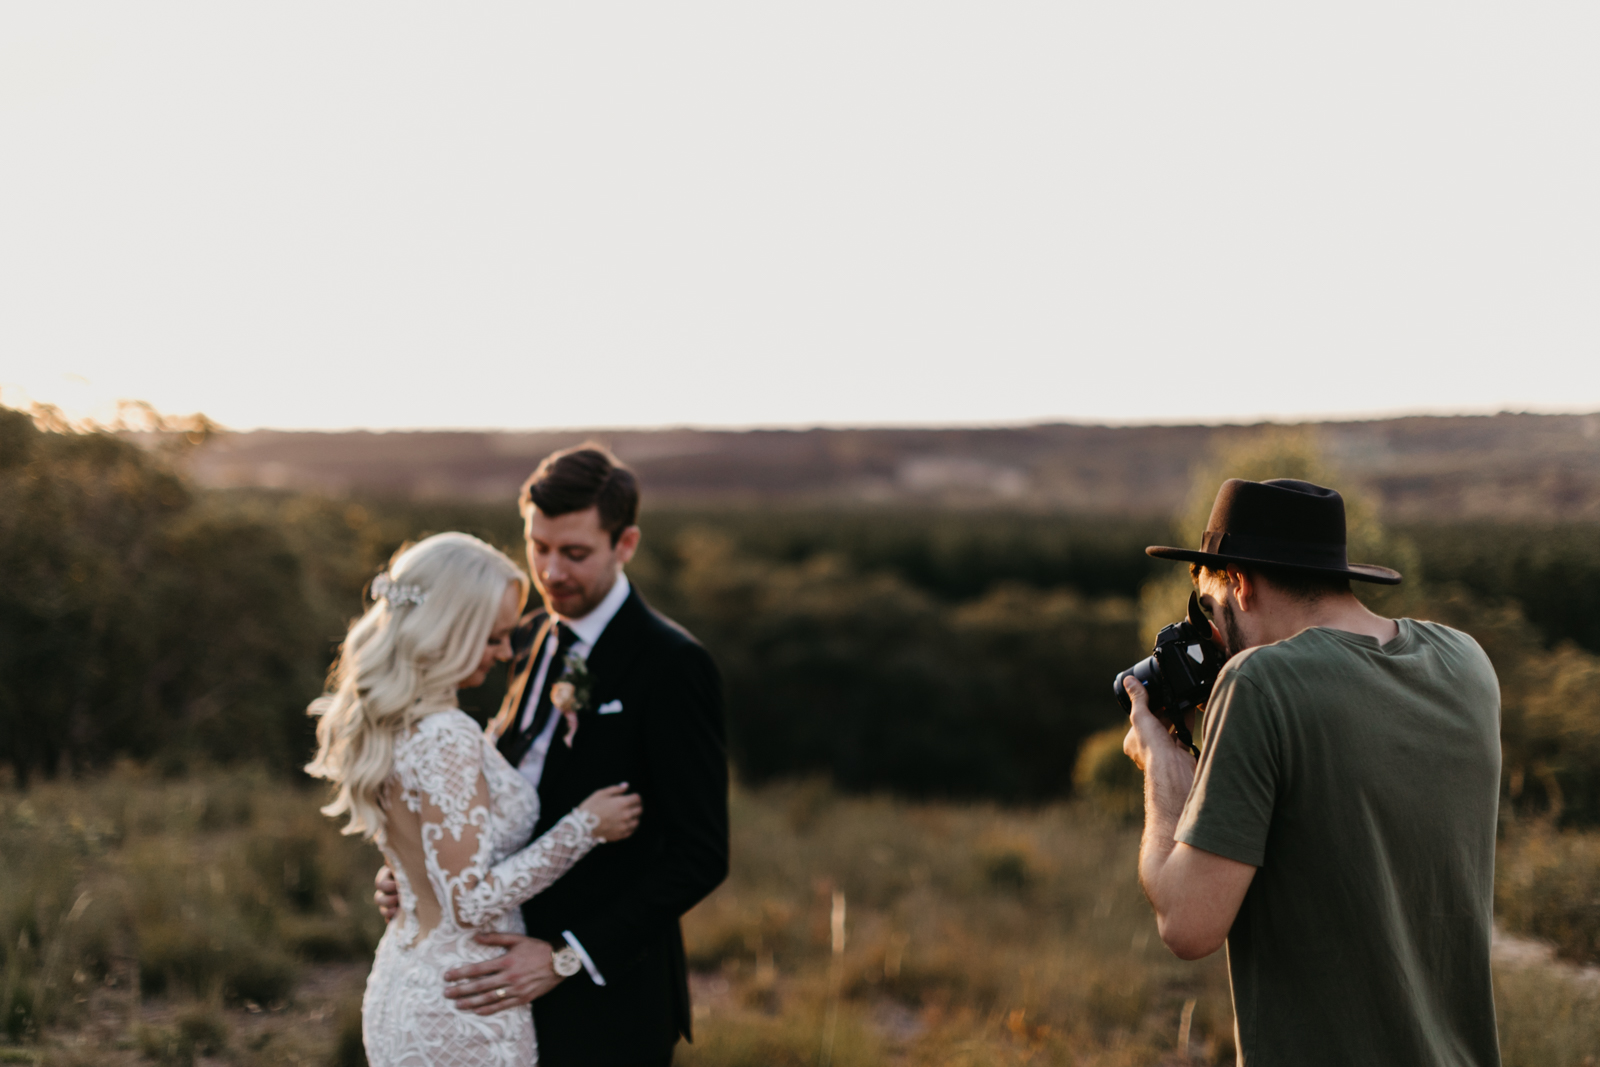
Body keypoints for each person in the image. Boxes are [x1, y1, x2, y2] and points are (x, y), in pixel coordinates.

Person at [1121, 478, 1502, 1066]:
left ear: (1240, 584)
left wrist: (1163, 773)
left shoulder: (1257, 683)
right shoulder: (1466, 663)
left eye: (1207, 606)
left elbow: (1187, 925)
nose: (1213, 633)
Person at [376, 446, 730, 1067]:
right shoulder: (536, 635)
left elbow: (701, 854)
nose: (552, 572)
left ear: (626, 545)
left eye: (575, 553)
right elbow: (480, 790)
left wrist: (568, 955)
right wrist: (422, 869)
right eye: (539, 548)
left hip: (605, 994)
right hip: (496, 974)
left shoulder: (673, 665)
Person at [306, 532, 643, 1067]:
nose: (507, 653)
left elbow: (423, 860)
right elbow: (470, 903)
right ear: (449, 632)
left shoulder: (391, 720)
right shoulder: (446, 733)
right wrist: (584, 828)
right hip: (465, 1002)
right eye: (493, 639)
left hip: (405, 977)